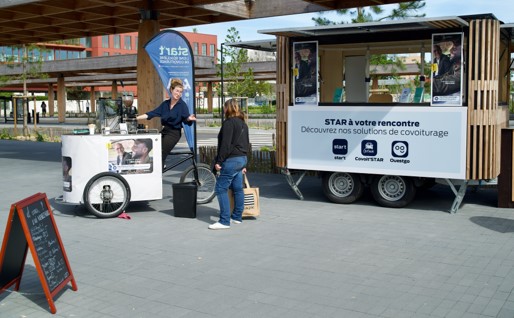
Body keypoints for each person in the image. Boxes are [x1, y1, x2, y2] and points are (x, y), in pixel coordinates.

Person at [208, 99, 250, 230]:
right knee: (237, 188)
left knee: (220, 189)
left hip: (231, 160)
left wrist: (219, 162)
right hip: (242, 159)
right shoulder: (244, 124)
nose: (223, 110)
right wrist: (244, 163)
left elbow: (225, 145)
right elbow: (247, 144)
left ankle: (224, 221)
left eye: (224, 107)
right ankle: (237, 217)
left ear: (228, 108)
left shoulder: (228, 123)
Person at [136, 78, 196, 168]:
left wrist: (189, 119)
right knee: (148, 145)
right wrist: (136, 118)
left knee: (161, 152)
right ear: (171, 90)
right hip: (165, 131)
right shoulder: (165, 104)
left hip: (174, 133)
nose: (178, 94)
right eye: (177, 91)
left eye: (180, 92)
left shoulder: (182, 105)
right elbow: (152, 113)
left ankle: (159, 170)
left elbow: (186, 118)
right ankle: (144, 166)